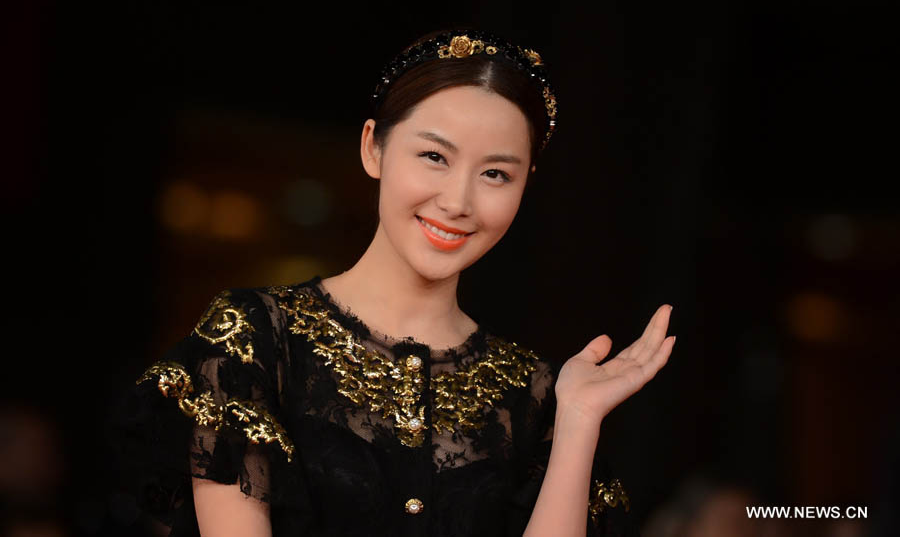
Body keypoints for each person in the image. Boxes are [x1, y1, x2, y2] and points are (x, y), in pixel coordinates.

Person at [112, 29, 675, 537]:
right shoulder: (255, 338)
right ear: (372, 147)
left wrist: (576, 421)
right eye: (434, 156)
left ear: (527, 185)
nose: (458, 201)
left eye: (496, 174)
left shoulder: (537, 397)